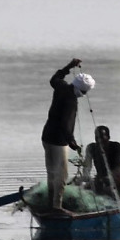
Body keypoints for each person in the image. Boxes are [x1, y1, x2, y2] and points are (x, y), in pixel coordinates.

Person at [42, 58, 92, 212]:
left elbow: (54, 79)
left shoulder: (62, 87)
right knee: (62, 176)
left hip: (47, 136)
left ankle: (51, 204)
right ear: (83, 90)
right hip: (58, 141)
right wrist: (72, 142)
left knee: (51, 173)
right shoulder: (71, 100)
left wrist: (69, 66)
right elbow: (66, 123)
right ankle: (57, 207)